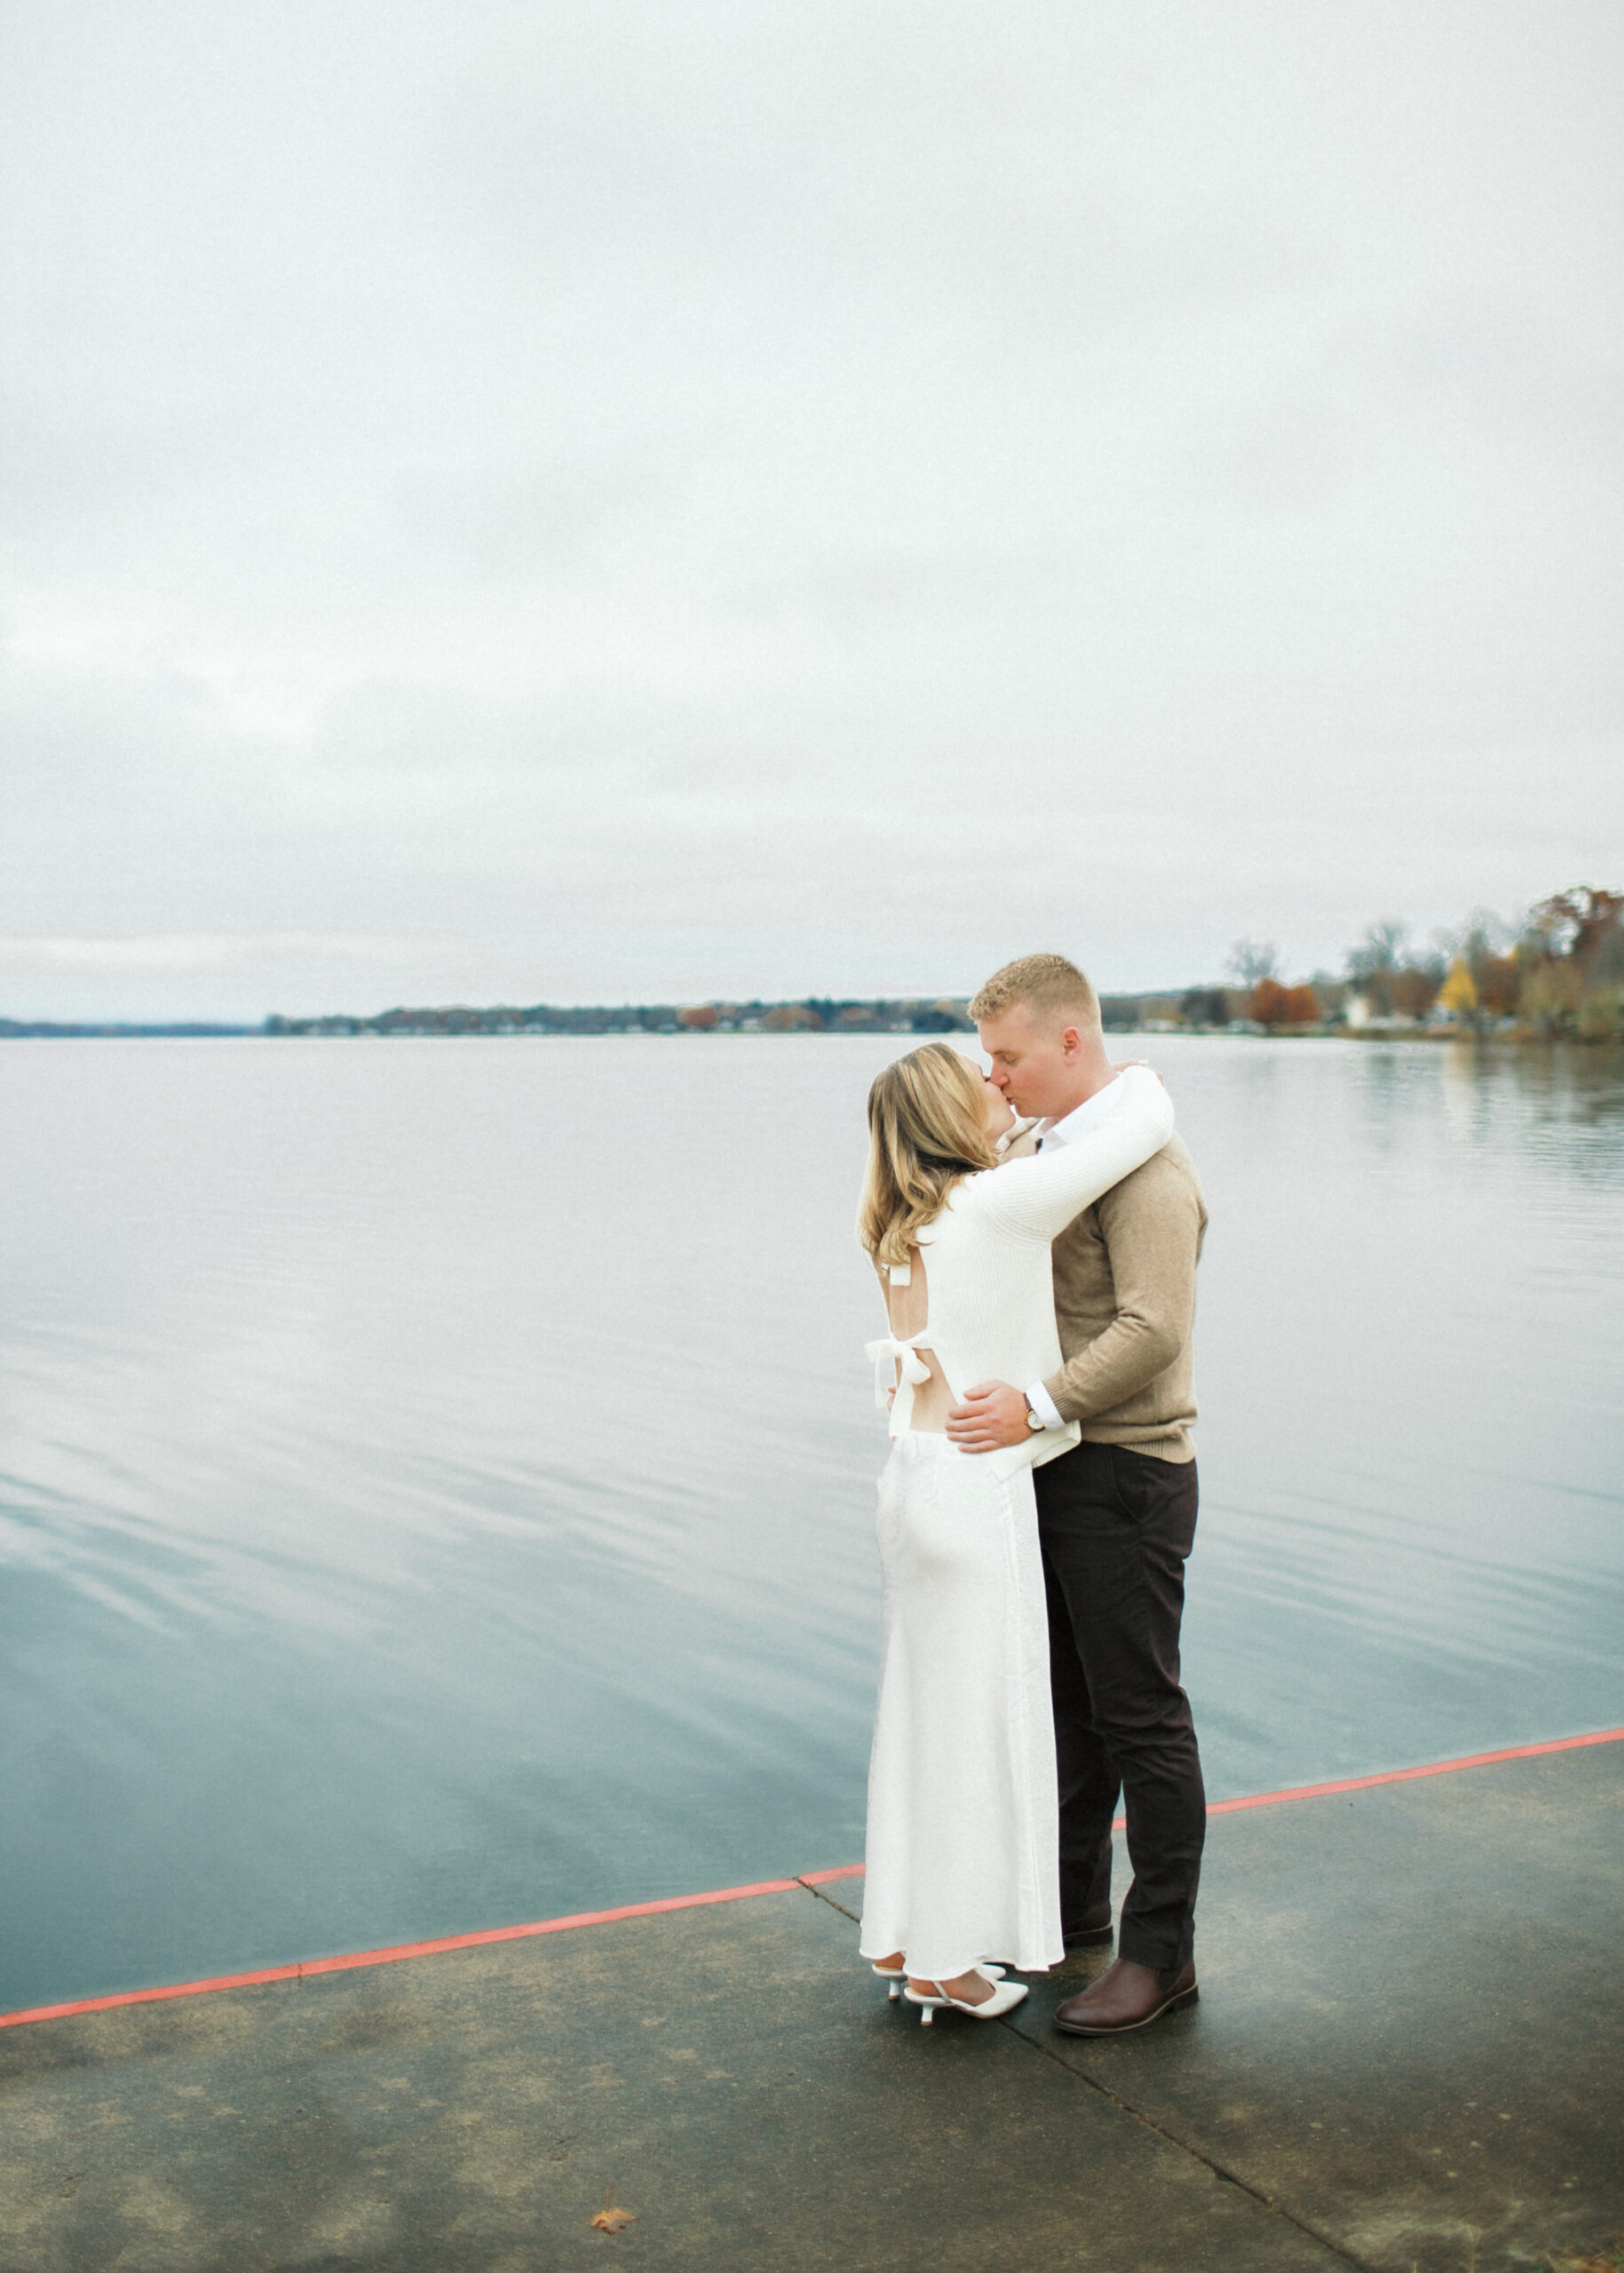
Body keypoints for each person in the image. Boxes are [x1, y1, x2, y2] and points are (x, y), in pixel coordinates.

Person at [857, 1041, 1175, 2025]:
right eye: (976, 1082)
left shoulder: (896, 1224)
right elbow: (1143, 1128)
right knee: (977, 1733)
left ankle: (911, 1941)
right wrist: (1141, 1074)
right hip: (970, 1488)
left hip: (909, 1484)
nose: (995, 1086)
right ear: (948, 1118)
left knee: (919, 1720)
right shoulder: (998, 1204)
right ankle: (949, 1964)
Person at [948, 953, 1208, 2037]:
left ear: (1069, 1041)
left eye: (1007, 1055)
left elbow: (1153, 1327)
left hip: (1128, 1473)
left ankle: (1160, 1959)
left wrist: (1037, 1404)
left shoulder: (1142, 1169)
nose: (993, 1076)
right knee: (1070, 1714)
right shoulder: (1049, 1149)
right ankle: (1070, 1911)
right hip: (1060, 1468)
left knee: (1140, 1718)